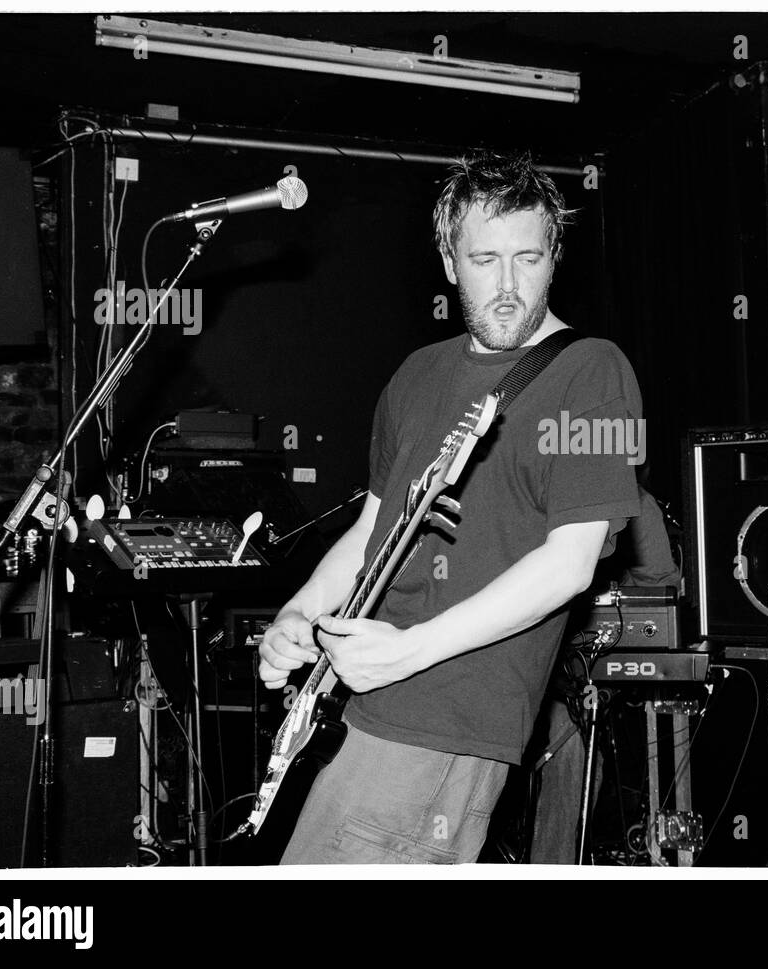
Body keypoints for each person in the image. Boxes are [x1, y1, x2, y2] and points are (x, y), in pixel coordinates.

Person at [258, 151, 643, 864]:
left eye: (528, 258)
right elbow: (373, 528)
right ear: (447, 261)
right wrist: (299, 613)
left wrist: (409, 650)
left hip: (447, 718)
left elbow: (570, 564)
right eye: (483, 258)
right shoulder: (416, 374)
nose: (506, 286)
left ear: (555, 256)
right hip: (363, 699)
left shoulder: (594, 371)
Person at [528, 483, 681, 864]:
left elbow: (658, 593)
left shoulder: (636, 504)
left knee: (569, 740)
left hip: (581, 666)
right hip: (519, 656)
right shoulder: (527, 489)